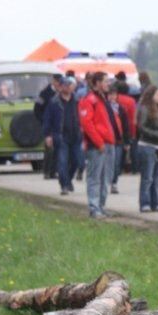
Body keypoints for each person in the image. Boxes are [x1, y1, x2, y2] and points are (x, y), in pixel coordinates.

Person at [78, 71, 123, 219]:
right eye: (105, 81)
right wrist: (98, 142)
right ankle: (94, 207)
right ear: (97, 83)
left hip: (109, 144)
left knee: (106, 178)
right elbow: (87, 123)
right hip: (98, 145)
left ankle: (101, 206)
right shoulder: (90, 100)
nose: (108, 84)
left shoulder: (102, 99)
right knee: (95, 178)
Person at [43, 76, 83, 195]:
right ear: (60, 87)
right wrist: (48, 135)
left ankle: (68, 179)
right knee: (62, 161)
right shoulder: (54, 102)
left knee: (77, 161)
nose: (68, 87)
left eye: (69, 85)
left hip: (76, 135)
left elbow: (82, 116)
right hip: (61, 136)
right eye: (65, 85)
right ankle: (64, 185)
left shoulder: (77, 100)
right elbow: (47, 119)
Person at [135, 84, 158, 212]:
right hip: (148, 146)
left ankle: (155, 203)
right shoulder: (144, 109)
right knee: (147, 177)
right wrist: (157, 135)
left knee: (156, 177)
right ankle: (145, 203)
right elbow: (142, 127)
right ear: (151, 95)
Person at [37, 74, 63, 179]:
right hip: (48, 125)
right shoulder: (44, 93)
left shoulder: (61, 93)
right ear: (53, 81)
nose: (59, 84)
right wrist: (43, 121)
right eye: (57, 82)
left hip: (59, 125)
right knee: (49, 149)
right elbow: (37, 109)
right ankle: (47, 171)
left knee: (58, 150)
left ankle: (54, 171)